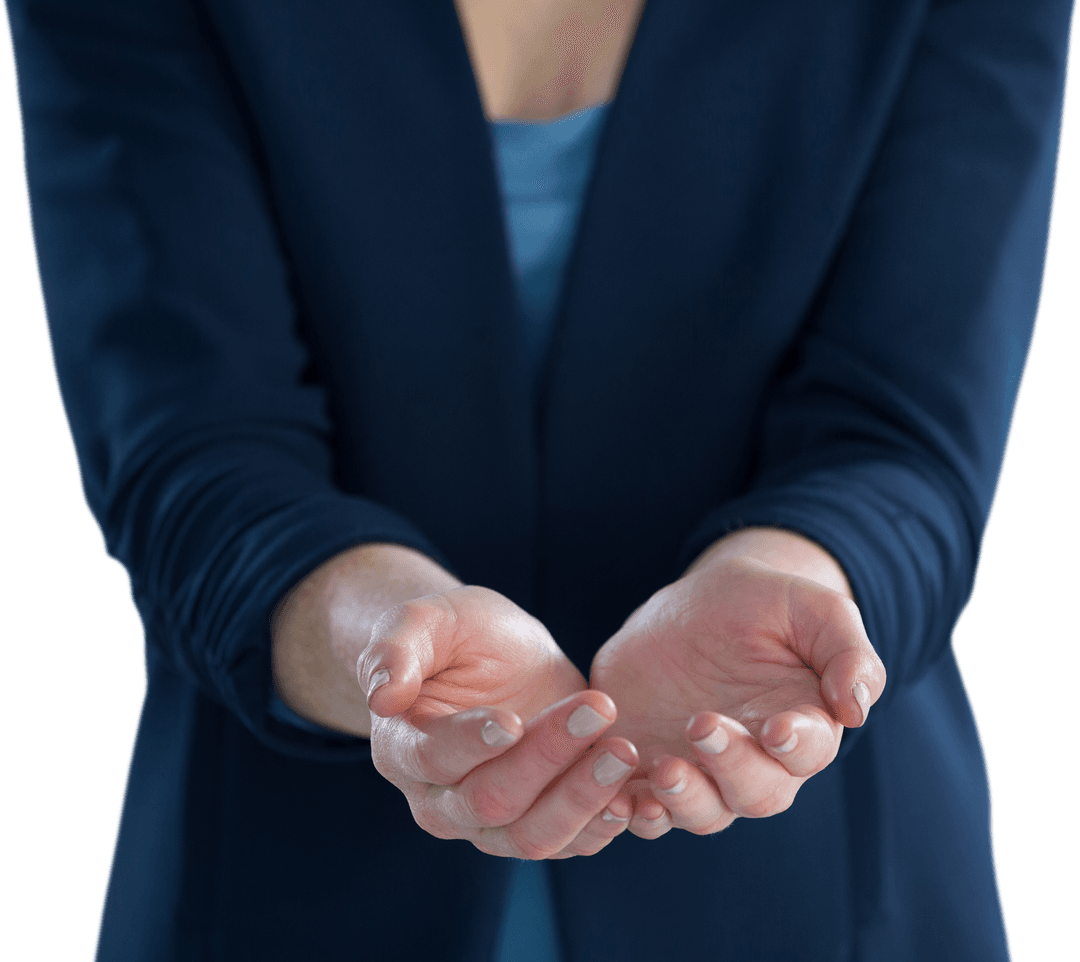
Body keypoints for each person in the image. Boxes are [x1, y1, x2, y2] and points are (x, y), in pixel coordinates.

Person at [5, 0, 1073, 959]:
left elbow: (906, 425)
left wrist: (801, 573)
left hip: (813, 889)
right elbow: (193, 447)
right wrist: (377, 635)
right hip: (289, 885)